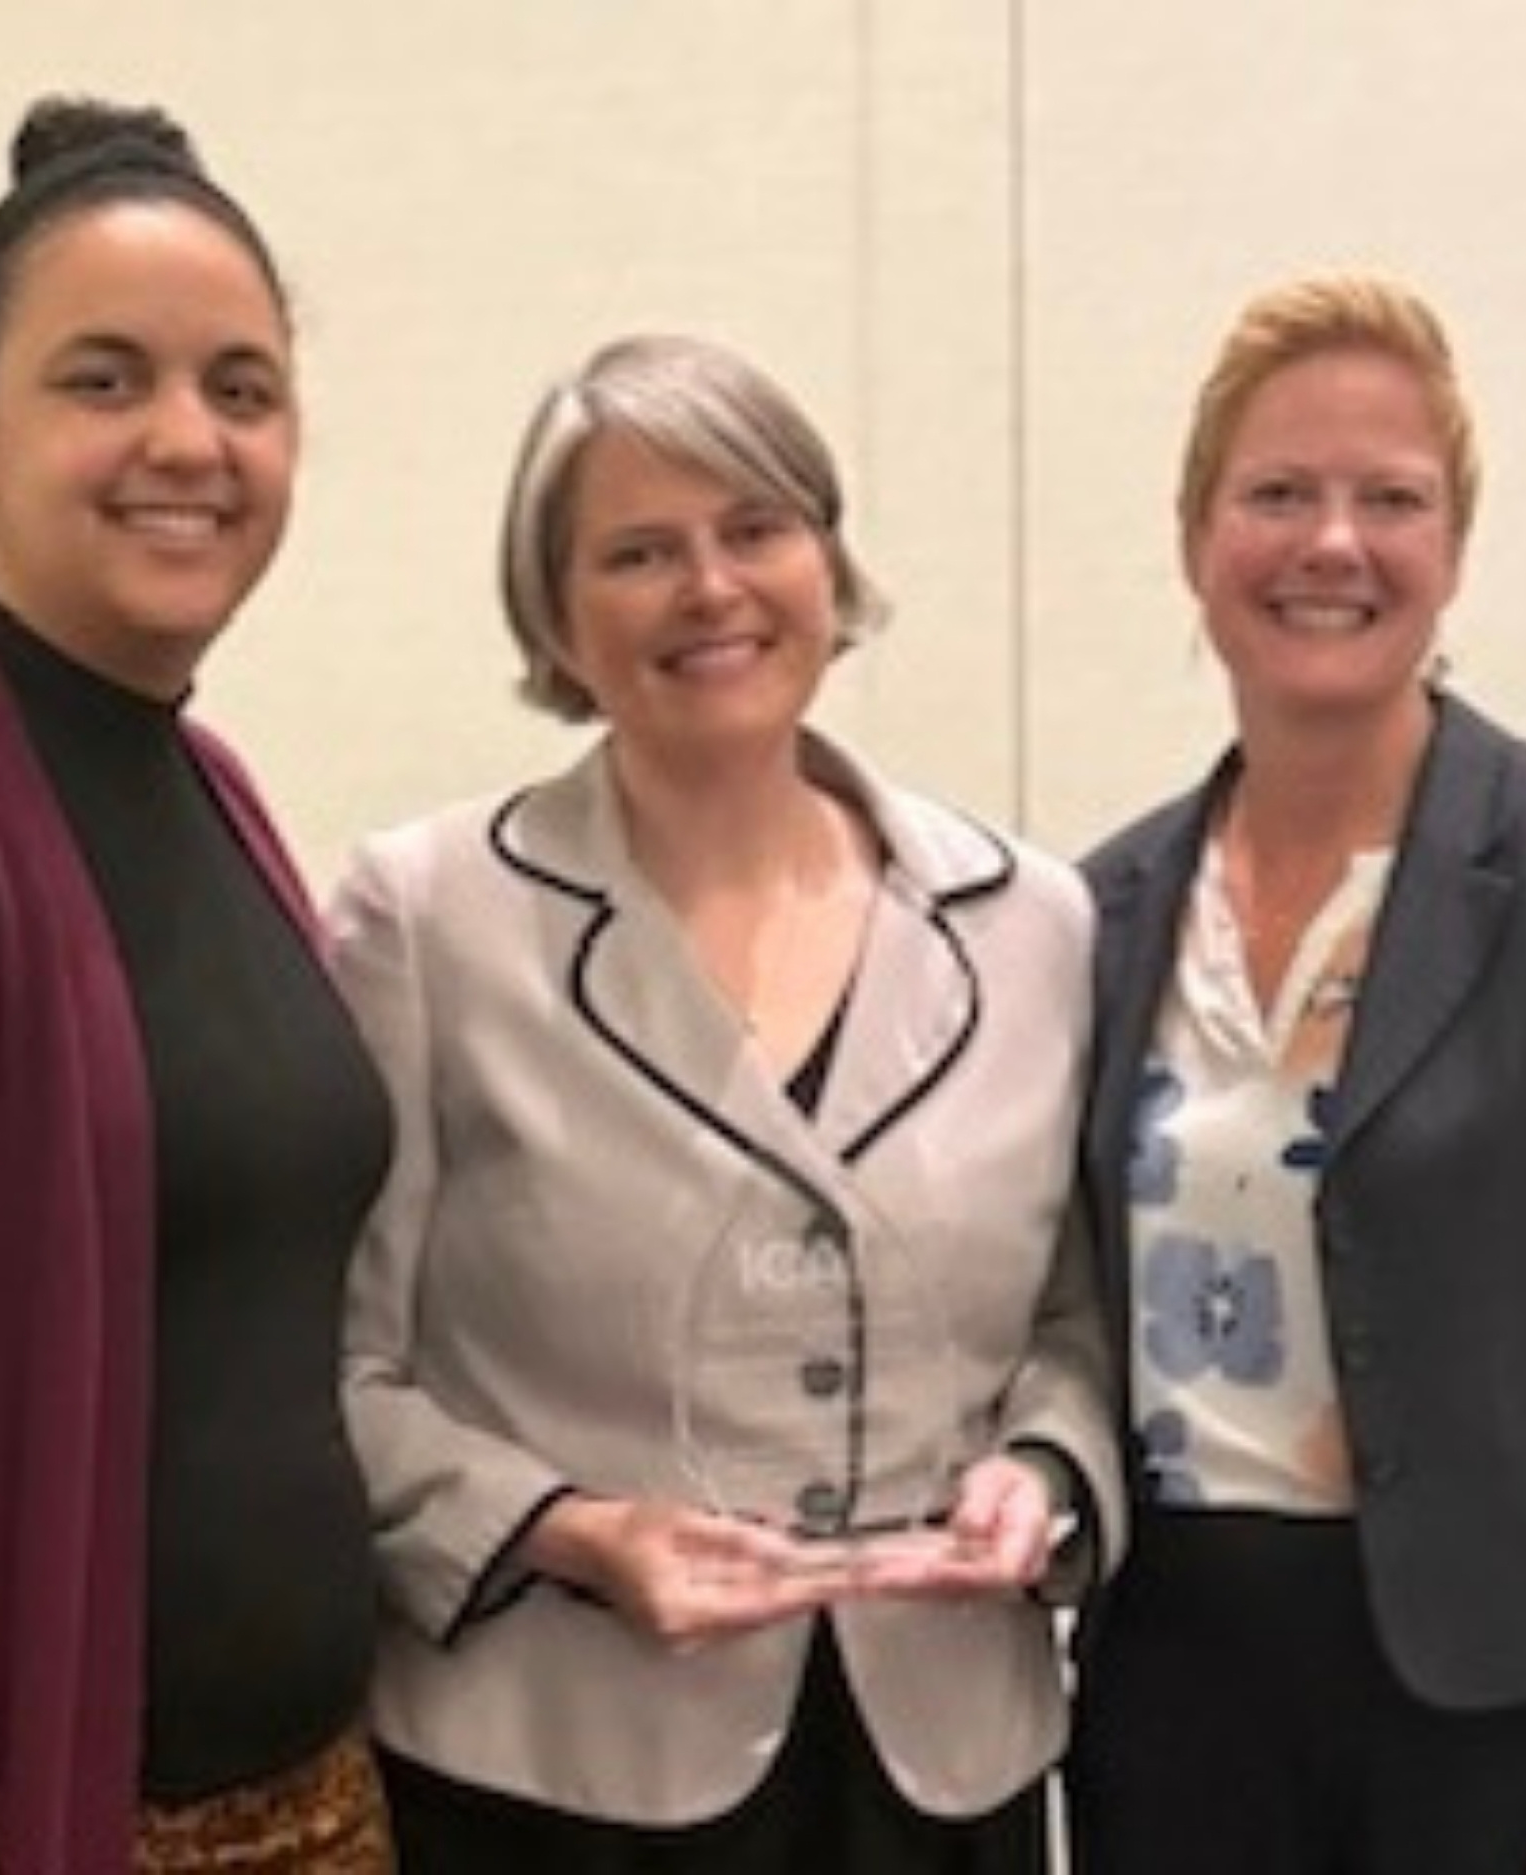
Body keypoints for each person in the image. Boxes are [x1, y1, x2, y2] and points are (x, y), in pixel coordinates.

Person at [329, 331, 1123, 1874]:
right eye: (639, 552)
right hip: (561, 1770)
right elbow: (339, 1370)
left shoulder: (1031, 920)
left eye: (756, 529)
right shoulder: (427, 920)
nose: (711, 589)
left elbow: (1078, 1331)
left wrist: (1040, 1478)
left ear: (830, 561)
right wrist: (575, 1529)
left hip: (942, 1766)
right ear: (554, 614)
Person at [0, 97, 397, 1872]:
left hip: (322, 1809)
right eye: (104, 380)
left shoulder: (211, 788)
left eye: (243, 388)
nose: (187, 441)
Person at [1062, 271, 1526, 1874]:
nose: (1332, 543)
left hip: (1485, 1721)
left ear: (1451, 551)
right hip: (1169, 1697)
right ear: (1197, 543)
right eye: (1276, 494)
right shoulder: (1099, 912)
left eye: (1390, 499)